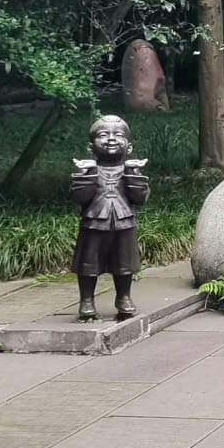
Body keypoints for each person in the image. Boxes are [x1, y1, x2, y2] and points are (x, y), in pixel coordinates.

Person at [70, 115, 150, 321]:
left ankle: (123, 297)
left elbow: (140, 199)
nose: (112, 139)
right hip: (93, 223)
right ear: (90, 147)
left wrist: (133, 173)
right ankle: (86, 300)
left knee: (124, 263)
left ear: (129, 147)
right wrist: (88, 174)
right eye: (104, 135)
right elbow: (80, 197)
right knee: (88, 264)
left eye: (118, 135)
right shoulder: (89, 170)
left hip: (124, 223)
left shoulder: (130, 169)